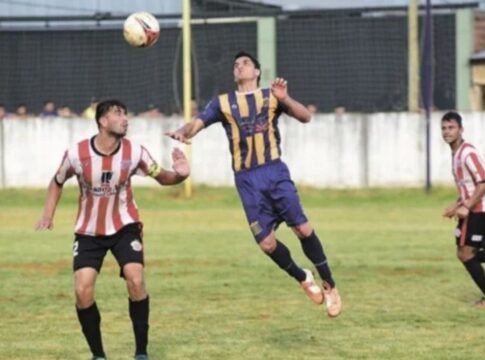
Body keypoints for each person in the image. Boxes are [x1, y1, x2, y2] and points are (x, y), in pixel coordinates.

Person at [166, 51, 342, 317]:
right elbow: (197, 123)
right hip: (247, 181)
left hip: (274, 172)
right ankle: (303, 277)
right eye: (236, 65)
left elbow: (305, 116)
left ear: (257, 71)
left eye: (245, 63)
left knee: (303, 229)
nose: (239, 67)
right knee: (267, 245)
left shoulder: (271, 96)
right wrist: (183, 131)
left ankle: (329, 284)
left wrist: (286, 99)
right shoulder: (222, 103)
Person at [35, 99, 190, 360]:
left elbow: (162, 176)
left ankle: (141, 352)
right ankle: (98, 355)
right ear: (103, 121)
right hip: (88, 231)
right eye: (118, 114)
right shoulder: (77, 153)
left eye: (126, 114)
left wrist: (181, 175)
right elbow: (57, 180)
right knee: (82, 290)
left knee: (136, 279)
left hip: (124, 226)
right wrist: (48, 214)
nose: (125, 118)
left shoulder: (135, 152)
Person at [441, 111, 485, 307]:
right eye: (444, 128)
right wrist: (457, 204)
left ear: (461, 130)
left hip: (479, 209)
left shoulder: (467, 152)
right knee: (464, 253)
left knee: (466, 254)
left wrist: (466, 206)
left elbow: (482, 182)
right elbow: (468, 186)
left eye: (451, 128)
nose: (447, 132)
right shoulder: (456, 154)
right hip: (472, 208)